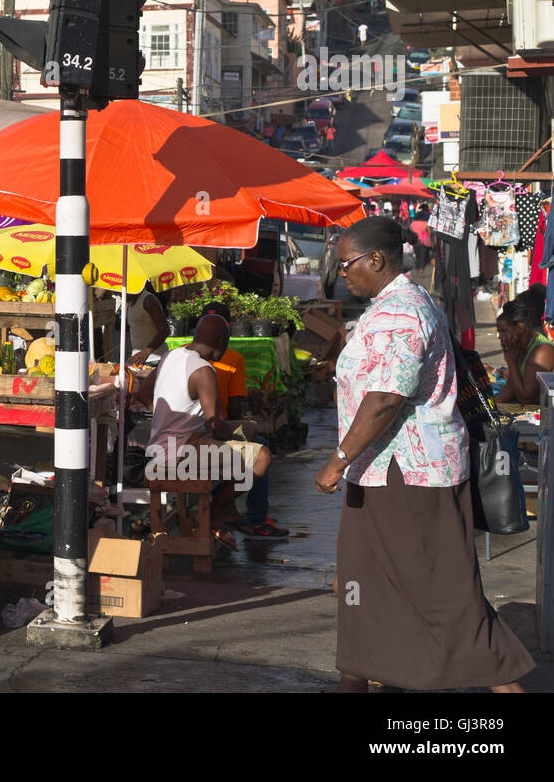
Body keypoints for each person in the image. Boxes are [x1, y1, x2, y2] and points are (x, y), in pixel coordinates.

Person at [315, 216, 533, 692]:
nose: (341, 272)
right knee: (361, 588)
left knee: (444, 597)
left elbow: (387, 397)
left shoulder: (402, 310)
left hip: (408, 476)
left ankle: (505, 684)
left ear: (377, 259)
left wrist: (338, 458)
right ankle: (359, 681)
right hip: (379, 474)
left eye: (346, 263)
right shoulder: (389, 305)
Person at [144, 314, 271, 548]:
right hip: (180, 451)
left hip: (163, 443)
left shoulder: (170, 355)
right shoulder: (203, 371)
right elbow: (218, 427)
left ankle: (226, 510)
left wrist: (169, 420)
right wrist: (231, 440)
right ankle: (214, 515)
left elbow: (143, 394)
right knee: (261, 457)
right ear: (222, 341)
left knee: (250, 430)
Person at [203, 300, 290, 539]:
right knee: (261, 447)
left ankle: (223, 508)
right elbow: (236, 407)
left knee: (243, 443)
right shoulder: (230, 359)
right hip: (209, 433)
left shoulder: (178, 356)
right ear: (227, 331)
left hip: (190, 435)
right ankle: (252, 517)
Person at [494, 297, 554, 404]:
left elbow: (526, 397)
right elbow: (510, 388)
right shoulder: (521, 348)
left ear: (520, 328)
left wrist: (511, 362)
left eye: (503, 331)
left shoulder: (542, 351)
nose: (500, 337)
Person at [126, 283, 170, 364]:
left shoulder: (148, 300)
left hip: (154, 359)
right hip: (138, 358)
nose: (120, 295)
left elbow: (165, 330)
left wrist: (146, 351)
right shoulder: (130, 302)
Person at [409, 205, 432, 271]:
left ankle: (417, 268)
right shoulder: (425, 223)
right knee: (422, 256)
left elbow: (411, 232)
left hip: (415, 241)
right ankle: (421, 269)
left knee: (417, 256)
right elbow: (429, 232)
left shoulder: (413, 223)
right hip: (423, 242)